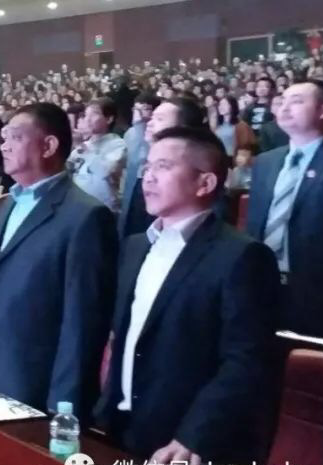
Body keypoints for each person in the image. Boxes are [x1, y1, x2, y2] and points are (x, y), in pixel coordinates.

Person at [95, 127, 281, 463]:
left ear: (205, 183)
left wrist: (195, 435)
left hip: (184, 441)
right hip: (121, 426)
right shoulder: (136, 246)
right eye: (147, 166)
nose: (149, 177)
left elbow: (245, 361)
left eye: (163, 166)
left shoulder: (242, 257)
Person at [0, 103, 117, 417]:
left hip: (37, 386)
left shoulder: (86, 217)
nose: (4, 146)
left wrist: (64, 404)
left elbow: (82, 322)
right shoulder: (8, 205)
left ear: (49, 145)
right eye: (4, 137)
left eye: (15, 137)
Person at [246, 79, 323, 337]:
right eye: (282, 101)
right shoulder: (266, 162)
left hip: (313, 289)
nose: (285, 107)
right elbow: (254, 225)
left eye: (297, 101)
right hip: (263, 284)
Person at [118, 97, 206, 238]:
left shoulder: (193, 173)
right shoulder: (145, 167)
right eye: (152, 118)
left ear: (182, 128)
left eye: (159, 119)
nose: (150, 123)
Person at [67, 98, 126, 212]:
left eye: (94, 114)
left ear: (109, 119)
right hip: (78, 206)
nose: (88, 119)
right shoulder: (84, 145)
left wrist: (83, 148)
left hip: (103, 208)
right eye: (86, 115)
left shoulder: (118, 145)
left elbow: (105, 172)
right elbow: (67, 171)